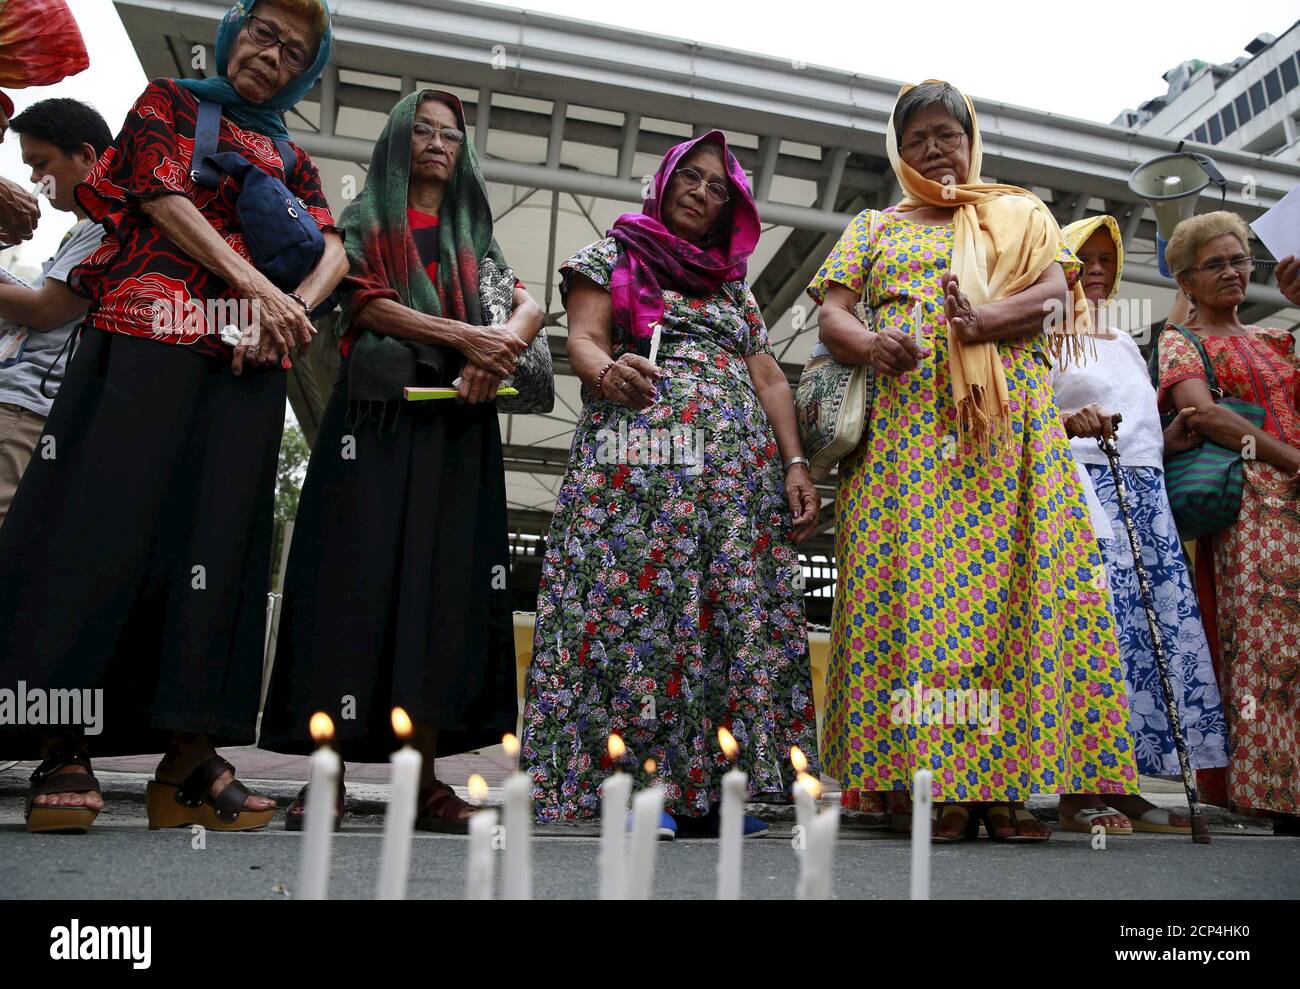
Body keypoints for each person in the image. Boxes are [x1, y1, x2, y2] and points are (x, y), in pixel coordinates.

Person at [0, 0, 346, 834]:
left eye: (292, 50)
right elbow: (157, 194)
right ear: (233, 33)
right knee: (100, 532)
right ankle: (64, 741)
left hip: (242, 363)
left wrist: (289, 307)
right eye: (262, 32)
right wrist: (257, 285)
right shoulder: (169, 103)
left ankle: (190, 757)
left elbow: (334, 246)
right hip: (144, 340)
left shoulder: (292, 154)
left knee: (217, 548)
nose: (271, 54)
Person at [812, 80, 1139, 843]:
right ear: (900, 150)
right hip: (905, 443)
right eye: (918, 136)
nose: (935, 147)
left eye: (947, 134)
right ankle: (937, 791)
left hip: (1010, 437)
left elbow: (1058, 293)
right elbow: (832, 312)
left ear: (971, 140)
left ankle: (1011, 791)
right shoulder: (872, 226)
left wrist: (979, 320)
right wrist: (870, 342)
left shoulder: (1020, 212)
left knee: (1014, 607)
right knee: (919, 610)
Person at [521, 130, 820, 837]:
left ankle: (715, 787)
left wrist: (796, 463)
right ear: (666, 179)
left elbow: (769, 374)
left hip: (731, 489)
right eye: (692, 176)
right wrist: (604, 373)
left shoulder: (731, 290)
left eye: (719, 188)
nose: (702, 192)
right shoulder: (613, 253)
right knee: (639, 615)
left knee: (719, 619)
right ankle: (633, 787)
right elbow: (584, 339)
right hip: (635, 473)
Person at [259, 89, 544, 831]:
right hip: (375, 423)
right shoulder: (362, 219)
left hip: (457, 421)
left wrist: (501, 343)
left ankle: (422, 786)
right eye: (422, 130)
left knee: (439, 593)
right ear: (396, 140)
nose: (438, 143)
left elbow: (528, 302)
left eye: (452, 134)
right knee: (348, 586)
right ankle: (326, 777)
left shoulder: (473, 231)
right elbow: (367, 303)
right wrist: (467, 337)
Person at [1050, 214, 1228, 834]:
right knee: (1103, 627)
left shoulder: (1123, 339)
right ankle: (1078, 794)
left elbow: (1138, 420)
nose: (1095, 272)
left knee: (1151, 638)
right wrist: (1069, 424)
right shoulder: (1044, 332)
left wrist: (1168, 440)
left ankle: (1123, 786)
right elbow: (1024, 413)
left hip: (1145, 494)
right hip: (1085, 490)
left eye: (1106, 261)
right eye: (1081, 260)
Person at [1157, 210, 1300, 834]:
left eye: (1240, 259)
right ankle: (1275, 791)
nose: (1233, 272)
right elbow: (1206, 417)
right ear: (1186, 280)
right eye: (1215, 264)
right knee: (1269, 649)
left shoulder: (1278, 338)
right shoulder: (1179, 341)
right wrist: (1292, 458)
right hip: (1254, 503)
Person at [0, 98, 110, 526]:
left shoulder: (108, 225)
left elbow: (47, 310)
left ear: (86, 156)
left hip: (23, 409)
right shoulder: (84, 229)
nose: (34, 178)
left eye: (40, 162)